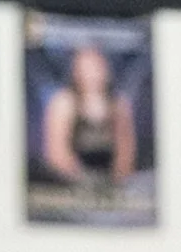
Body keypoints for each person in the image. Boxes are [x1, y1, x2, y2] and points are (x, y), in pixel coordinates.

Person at [40, 43, 135, 193]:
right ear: (76, 71)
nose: (92, 74)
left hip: (111, 180)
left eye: (96, 67)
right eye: (86, 68)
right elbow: (57, 152)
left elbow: (125, 150)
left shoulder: (118, 104)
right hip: (69, 180)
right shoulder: (63, 103)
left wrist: (116, 181)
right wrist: (81, 181)